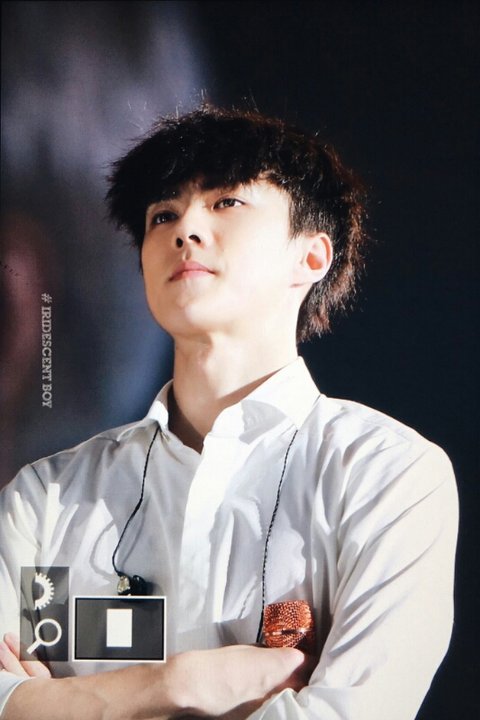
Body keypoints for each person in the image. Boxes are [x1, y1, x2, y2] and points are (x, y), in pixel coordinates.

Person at [0, 106, 458, 719]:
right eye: (163, 215)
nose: (186, 229)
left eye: (226, 202)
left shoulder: (387, 475)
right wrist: (179, 685)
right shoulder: (46, 498)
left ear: (312, 257)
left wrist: (56, 702)